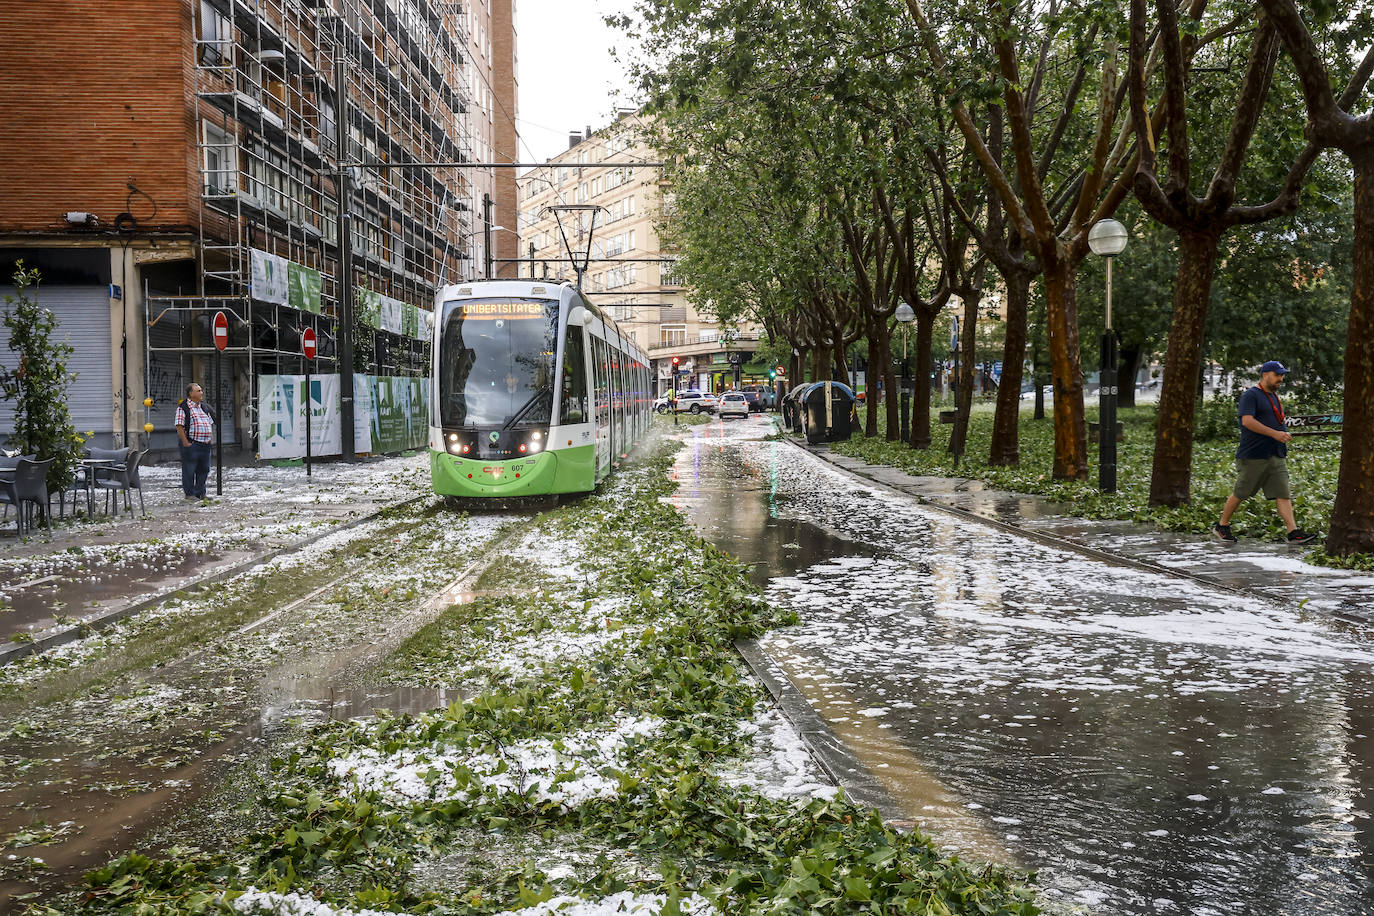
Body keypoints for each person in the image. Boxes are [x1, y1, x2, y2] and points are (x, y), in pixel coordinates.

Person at [1212, 361, 1316, 544]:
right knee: (1241, 492)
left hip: (1276, 454)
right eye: (1277, 375)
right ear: (1265, 374)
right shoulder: (1251, 395)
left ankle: (1293, 532)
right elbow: (1247, 422)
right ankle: (1222, 525)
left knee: (1283, 493)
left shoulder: (1274, 396)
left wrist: (1281, 434)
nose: (1281, 379)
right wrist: (1276, 433)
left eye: (1282, 375)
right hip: (1254, 455)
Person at [175, 382, 214, 501]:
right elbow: (179, 425)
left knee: (204, 469)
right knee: (189, 469)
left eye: (201, 390)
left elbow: (209, 422)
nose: (201, 393)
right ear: (191, 394)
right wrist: (186, 442)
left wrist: (210, 437)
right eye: (198, 391)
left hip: (205, 444)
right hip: (192, 443)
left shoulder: (204, 407)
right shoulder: (184, 407)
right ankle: (189, 493)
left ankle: (200, 492)